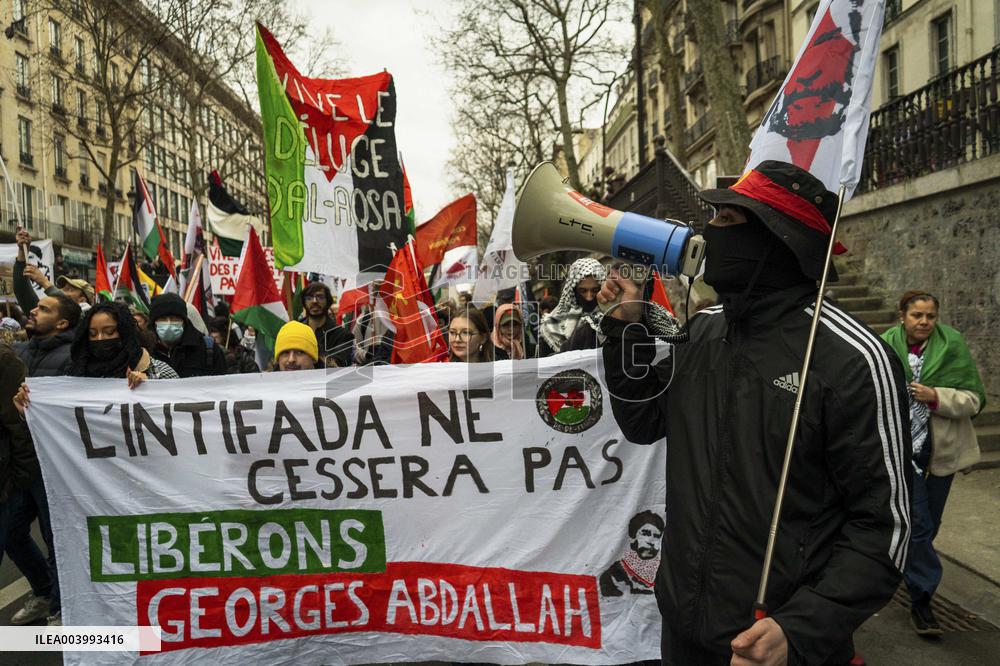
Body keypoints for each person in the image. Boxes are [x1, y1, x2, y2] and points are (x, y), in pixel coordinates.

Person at [598, 160, 911, 665]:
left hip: (777, 648)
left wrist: (800, 629)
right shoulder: (700, 333)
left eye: (727, 222)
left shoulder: (852, 360)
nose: (709, 234)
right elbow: (642, 420)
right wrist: (623, 329)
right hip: (682, 631)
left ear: (776, 240)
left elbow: (885, 528)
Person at [881, 291, 986, 636]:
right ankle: (922, 600)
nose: (924, 322)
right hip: (901, 452)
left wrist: (936, 396)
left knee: (930, 524)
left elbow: (973, 400)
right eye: (917, 316)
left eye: (930, 316)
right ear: (902, 316)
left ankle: (905, 569)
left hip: (940, 452)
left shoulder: (952, 345)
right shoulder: (884, 346)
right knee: (920, 525)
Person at [0, 345, 45, 625]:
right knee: (14, 537)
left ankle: (51, 595)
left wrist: (15, 480)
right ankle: (46, 589)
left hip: (8, 480)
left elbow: (17, 426)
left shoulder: (5, 361)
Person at [538, 257, 607, 356]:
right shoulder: (551, 324)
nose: (589, 297)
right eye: (583, 291)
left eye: (595, 291)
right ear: (573, 291)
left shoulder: (612, 317)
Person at [147, 293, 227, 378]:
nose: (169, 323)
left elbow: (222, 386)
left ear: (184, 321)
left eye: (174, 318)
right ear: (154, 323)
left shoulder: (208, 349)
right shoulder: (144, 351)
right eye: (162, 318)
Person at [599, 511, 664, 597]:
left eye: (656, 536)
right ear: (633, 536)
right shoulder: (612, 574)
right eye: (645, 534)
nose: (650, 541)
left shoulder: (665, 572)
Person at [15, 294, 80, 377]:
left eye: (43, 309)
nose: (32, 311)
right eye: (37, 306)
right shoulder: (14, 350)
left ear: (62, 324)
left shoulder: (74, 357)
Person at [300, 281, 354, 368]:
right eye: (309, 298)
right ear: (304, 302)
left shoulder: (342, 335)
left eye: (320, 297)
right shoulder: (295, 331)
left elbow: (336, 365)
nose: (314, 301)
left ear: (328, 301)